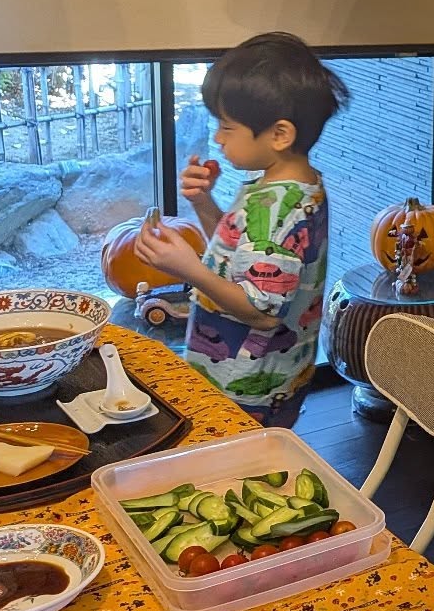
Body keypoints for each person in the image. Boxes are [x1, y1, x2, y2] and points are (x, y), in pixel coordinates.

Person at [135, 32, 347, 428]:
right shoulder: (289, 188)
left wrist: (189, 269)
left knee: (237, 461)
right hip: (266, 374)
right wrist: (203, 203)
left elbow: (263, 313)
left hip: (247, 387)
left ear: (280, 135)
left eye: (227, 127)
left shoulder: (281, 208)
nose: (217, 138)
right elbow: (244, 257)